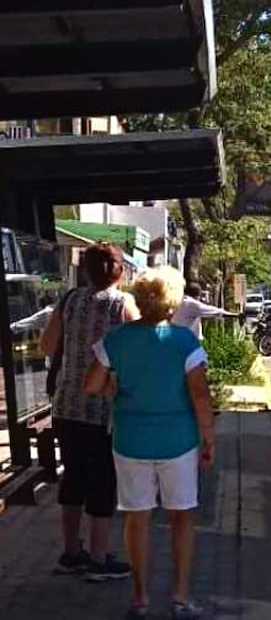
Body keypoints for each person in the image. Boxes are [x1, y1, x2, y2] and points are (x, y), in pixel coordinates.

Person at [84, 265, 215, 620]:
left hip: (130, 442)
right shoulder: (185, 341)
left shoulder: (116, 339)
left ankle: (140, 598)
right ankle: (181, 597)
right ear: (173, 301)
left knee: (137, 519)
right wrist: (209, 438)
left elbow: (92, 385)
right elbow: (200, 396)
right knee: (182, 517)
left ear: (139, 299)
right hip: (179, 443)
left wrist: (114, 387)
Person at [39, 242, 138, 582]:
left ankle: (70, 553)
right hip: (103, 409)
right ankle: (99, 558)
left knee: (73, 477)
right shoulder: (124, 304)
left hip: (66, 405)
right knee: (102, 481)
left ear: (85, 271)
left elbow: (46, 346)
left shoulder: (69, 300)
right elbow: (140, 349)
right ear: (120, 271)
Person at [171, 281, 236, 340]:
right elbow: (216, 312)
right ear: (197, 296)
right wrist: (235, 315)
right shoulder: (192, 304)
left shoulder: (176, 302)